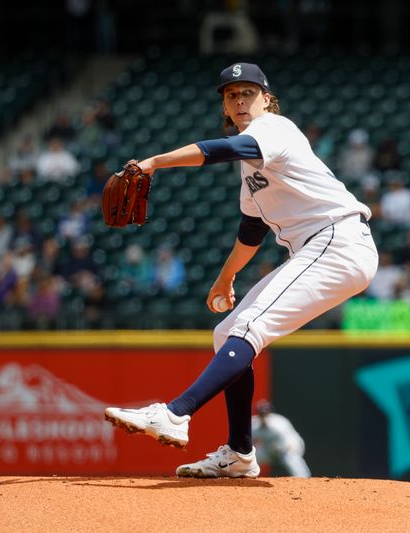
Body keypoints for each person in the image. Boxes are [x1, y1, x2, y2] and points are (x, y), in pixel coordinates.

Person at [104, 62, 378, 479]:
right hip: (321, 247)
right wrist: (226, 276)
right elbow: (251, 231)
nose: (240, 99)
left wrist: (155, 162)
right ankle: (239, 453)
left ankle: (175, 413)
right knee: (226, 333)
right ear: (226, 107)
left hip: (336, 240)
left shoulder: (274, 130)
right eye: (232, 95)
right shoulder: (253, 173)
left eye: (248, 92)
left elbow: (228, 149)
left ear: (267, 99)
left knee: (249, 326)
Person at [251, 399, 311, 477]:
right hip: (268, 450)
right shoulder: (254, 425)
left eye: (266, 413)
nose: (264, 416)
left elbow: (291, 442)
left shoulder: (279, 424)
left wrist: (285, 449)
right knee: (251, 456)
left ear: (270, 413)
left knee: (291, 457)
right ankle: (244, 478)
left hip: (288, 448)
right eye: (261, 414)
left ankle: (303, 478)